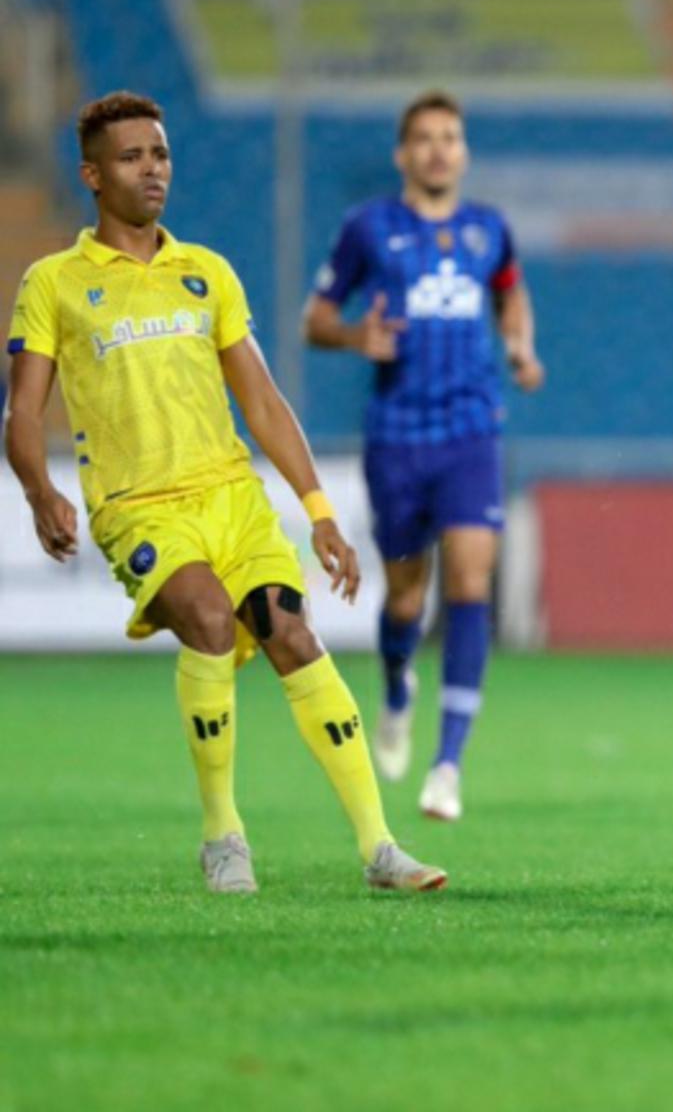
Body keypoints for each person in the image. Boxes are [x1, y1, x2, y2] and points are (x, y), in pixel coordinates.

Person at [4, 91, 447, 893]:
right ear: (93, 176)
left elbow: (264, 403)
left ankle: (381, 848)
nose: (153, 169)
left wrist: (319, 512)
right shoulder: (54, 283)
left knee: (294, 636)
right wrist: (39, 492)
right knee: (209, 619)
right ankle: (222, 836)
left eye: (161, 154)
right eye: (132, 157)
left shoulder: (205, 273)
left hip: (232, 498)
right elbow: (23, 413)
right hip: (139, 507)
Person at [305, 89, 544, 822]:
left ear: (463, 153)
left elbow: (511, 293)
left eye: (451, 137)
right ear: (403, 154)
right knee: (407, 598)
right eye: (426, 139)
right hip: (398, 436)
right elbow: (316, 319)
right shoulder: (369, 228)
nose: (439, 150)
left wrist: (519, 346)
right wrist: (357, 337)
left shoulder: (488, 230)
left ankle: (447, 766)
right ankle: (397, 681)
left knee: (470, 582)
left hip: (472, 430)